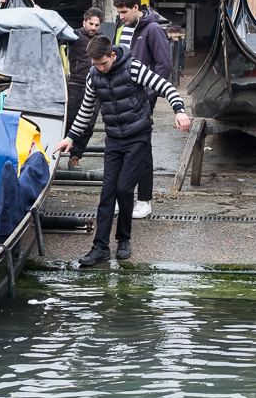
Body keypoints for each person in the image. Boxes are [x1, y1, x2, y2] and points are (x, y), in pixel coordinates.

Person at [52, 35, 191, 266]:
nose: (100, 68)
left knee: (124, 189)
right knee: (107, 192)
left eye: (103, 64)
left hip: (138, 136)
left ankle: (124, 240)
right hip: (114, 139)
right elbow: (86, 111)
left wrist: (179, 110)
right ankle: (100, 247)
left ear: (113, 55)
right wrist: (70, 137)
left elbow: (165, 86)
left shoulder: (133, 68)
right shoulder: (93, 76)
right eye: (96, 65)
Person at [112, 0, 173, 219]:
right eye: (119, 12)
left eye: (125, 11)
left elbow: (164, 66)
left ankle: (145, 200)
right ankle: (124, 196)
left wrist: (148, 94)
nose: (121, 16)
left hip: (142, 98)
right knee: (120, 148)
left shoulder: (153, 30)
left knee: (142, 149)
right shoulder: (122, 26)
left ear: (137, 8)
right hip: (121, 97)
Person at [65, 7, 104, 170]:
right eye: (90, 24)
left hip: (95, 87)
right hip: (75, 84)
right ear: (84, 22)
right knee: (68, 121)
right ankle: (53, 153)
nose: (93, 28)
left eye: (96, 25)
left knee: (88, 125)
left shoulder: (103, 40)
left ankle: (75, 157)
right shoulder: (73, 35)